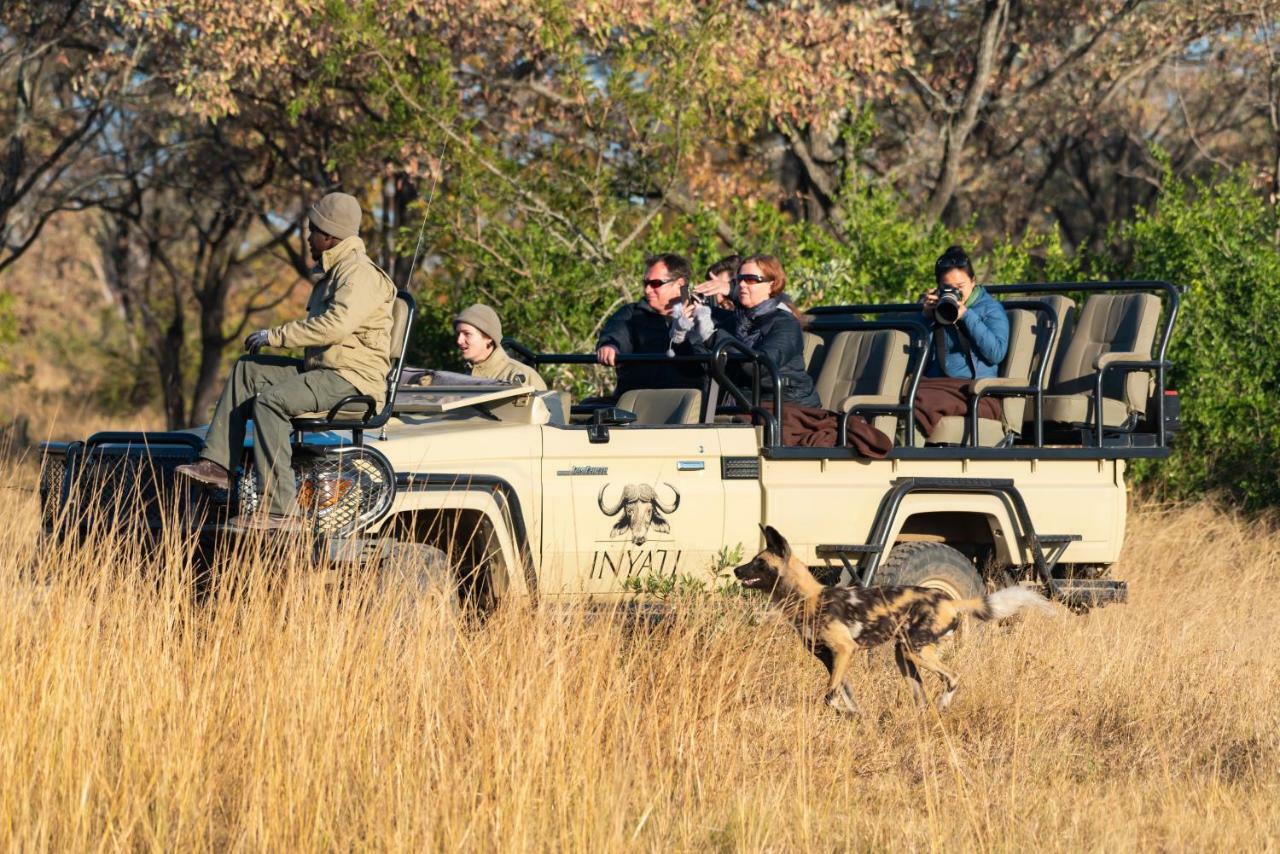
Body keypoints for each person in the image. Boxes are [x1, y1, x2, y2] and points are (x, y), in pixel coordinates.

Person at [175, 192, 397, 530]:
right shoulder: (336, 271)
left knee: (270, 404)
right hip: (325, 371)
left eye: (312, 230)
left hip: (352, 379)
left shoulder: (359, 274)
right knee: (247, 371)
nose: (308, 237)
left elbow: (335, 326)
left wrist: (274, 336)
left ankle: (279, 509)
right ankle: (218, 465)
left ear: (330, 235)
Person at [683, 254, 820, 407]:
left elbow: (761, 367)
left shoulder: (786, 324)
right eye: (739, 279)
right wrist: (682, 334)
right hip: (744, 403)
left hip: (785, 405)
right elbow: (696, 369)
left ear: (771, 284)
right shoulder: (735, 319)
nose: (741, 285)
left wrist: (713, 336)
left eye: (751, 279)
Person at [913, 245, 1010, 437]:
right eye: (947, 288)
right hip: (936, 385)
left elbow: (997, 353)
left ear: (973, 281)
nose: (954, 293)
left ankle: (906, 457)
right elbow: (914, 357)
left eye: (959, 288)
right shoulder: (935, 309)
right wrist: (924, 318)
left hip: (975, 392)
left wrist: (966, 316)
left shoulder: (990, 309)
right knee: (905, 395)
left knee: (919, 401)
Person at [595, 253, 703, 397]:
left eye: (655, 284)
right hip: (637, 404)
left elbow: (703, 363)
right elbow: (617, 332)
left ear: (679, 284)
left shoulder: (702, 317)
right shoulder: (631, 313)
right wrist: (611, 346)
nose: (647, 290)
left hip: (684, 404)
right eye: (645, 283)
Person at [454, 303, 546, 389]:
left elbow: (544, 405)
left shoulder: (523, 376)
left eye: (467, 334)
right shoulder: (462, 379)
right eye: (458, 334)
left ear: (489, 337)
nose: (459, 340)